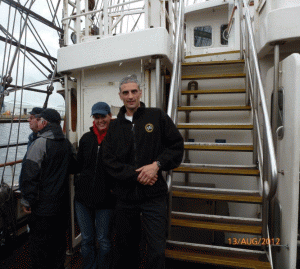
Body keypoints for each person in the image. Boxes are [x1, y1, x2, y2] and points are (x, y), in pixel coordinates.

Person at [102, 74, 184, 269]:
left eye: (134, 91)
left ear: (140, 92)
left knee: (156, 249)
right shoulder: (113, 127)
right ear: (120, 96)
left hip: (153, 197)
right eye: (125, 93)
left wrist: (156, 165)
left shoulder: (157, 116)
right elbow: (108, 162)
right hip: (125, 198)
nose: (130, 96)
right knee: (125, 248)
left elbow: (176, 146)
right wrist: (139, 175)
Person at [20, 108, 77, 269]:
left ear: (44, 123)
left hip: (42, 208)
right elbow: (74, 166)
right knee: (58, 244)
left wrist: (27, 201)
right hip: (61, 206)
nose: (35, 122)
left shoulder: (40, 144)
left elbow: (29, 176)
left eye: (38, 120)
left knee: (40, 248)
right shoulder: (66, 143)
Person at [75, 102, 115, 269]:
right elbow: (78, 165)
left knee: (104, 241)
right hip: (83, 200)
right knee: (86, 240)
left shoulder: (116, 138)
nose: (100, 120)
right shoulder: (86, 138)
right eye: (96, 117)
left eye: (103, 116)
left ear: (109, 116)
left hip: (106, 200)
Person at [19, 107, 44, 187]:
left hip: (35, 190)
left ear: (40, 120)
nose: (28, 120)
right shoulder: (32, 137)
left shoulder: (44, 141)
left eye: (31, 118)